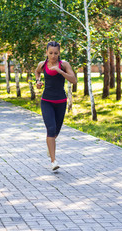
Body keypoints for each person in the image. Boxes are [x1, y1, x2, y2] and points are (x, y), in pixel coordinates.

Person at [34, 41, 77, 171]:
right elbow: (37, 72)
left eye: (56, 53)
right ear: (46, 52)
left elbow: (73, 80)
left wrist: (60, 71)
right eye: (51, 53)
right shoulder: (42, 64)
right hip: (46, 101)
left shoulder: (64, 65)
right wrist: (38, 81)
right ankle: (53, 161)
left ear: (59, 53)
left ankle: (50, 146)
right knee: (51, 129)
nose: (53, 56)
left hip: (61, 102)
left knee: (56, 131)